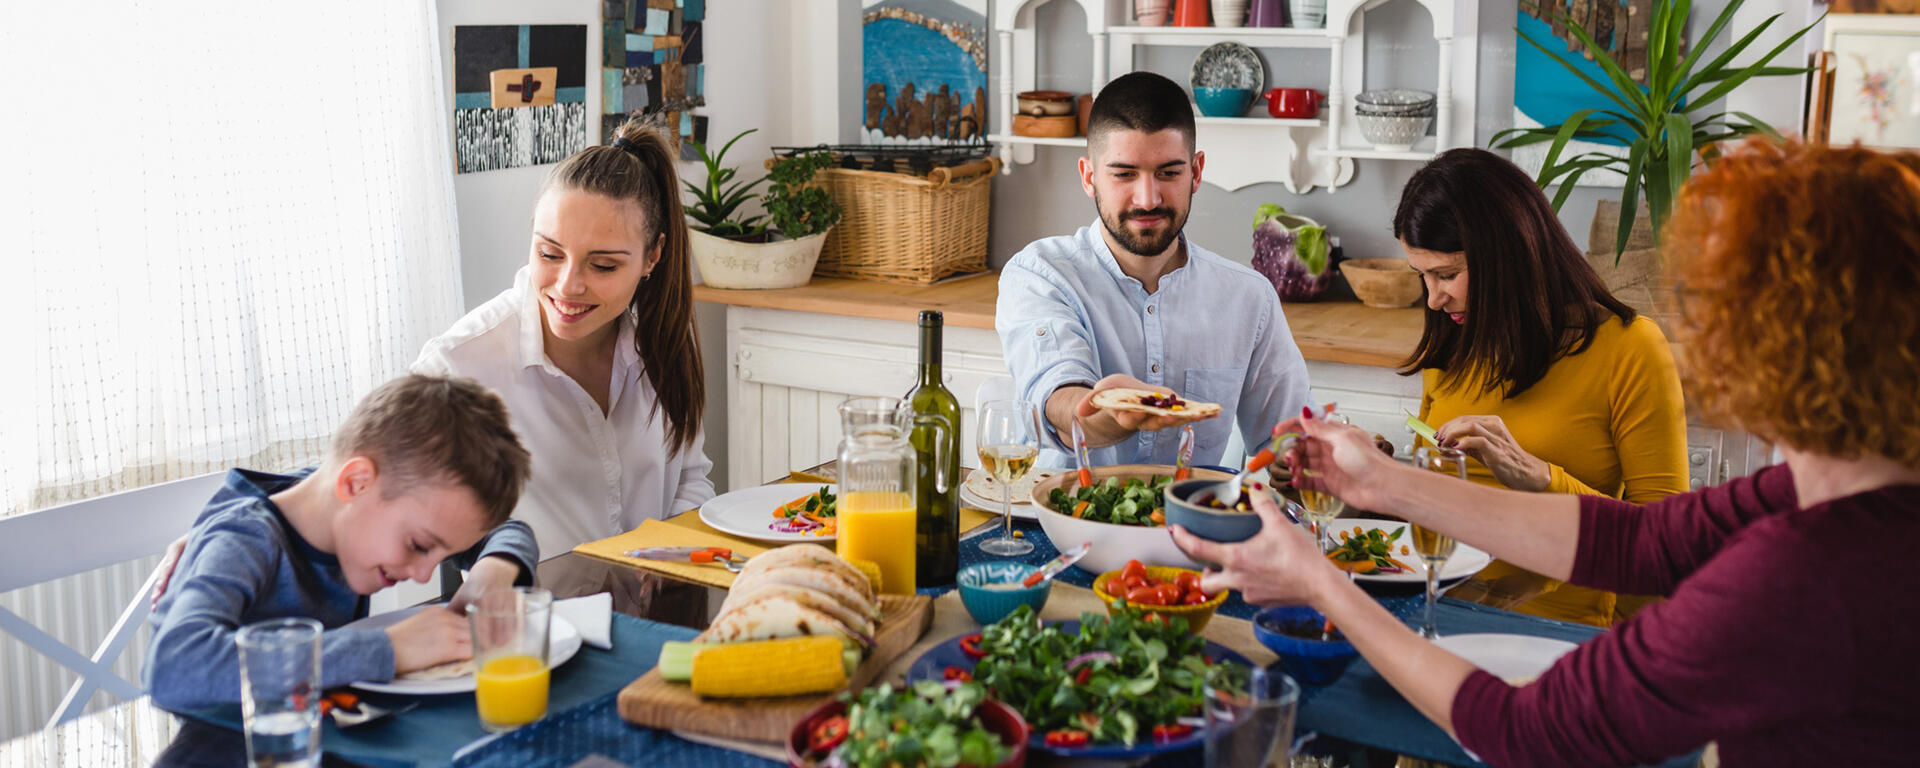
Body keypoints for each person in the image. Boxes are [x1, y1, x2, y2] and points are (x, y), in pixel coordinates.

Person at [1172, 139, 1920, 766]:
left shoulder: (1802, 573)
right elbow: (1650, 539)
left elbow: (1524, 728)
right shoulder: (1828, 497)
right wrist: (1387, 483)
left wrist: (1317, 585)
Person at [412, 121, 713, 620]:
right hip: (532, 641)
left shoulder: (662, 345)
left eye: (603, 266)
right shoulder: (457, 367)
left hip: (655, 624)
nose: (567, 286)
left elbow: (692, 477)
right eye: (549, 254)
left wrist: (673, 547)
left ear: (652, 257)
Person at [1393, 148, 1688, 626]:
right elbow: (1438, 515)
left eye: (1447, 275)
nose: (1433, 297)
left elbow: (1666, 555)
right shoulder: (1454, 336)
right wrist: (1365, 481)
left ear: (1508, 258)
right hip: (1439, 614)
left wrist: (1543, 480)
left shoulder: (1631, 349)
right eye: (1422, 276)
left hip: (1560, 634)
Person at [145, 374, 536, 710]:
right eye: (418, 546)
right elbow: (175, 669)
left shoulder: (344, 499)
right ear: (356, 483)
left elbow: (509, 530)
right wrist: (389, 649)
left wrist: (493, 571)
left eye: (443, 555)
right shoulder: (246, 539)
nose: (422, 576)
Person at [997, 71, 1311, 470]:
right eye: (1124, 174)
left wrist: (1318, 462)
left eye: (1168, 173)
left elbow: (1286, 440)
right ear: (1089, 177)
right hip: (1061, 524)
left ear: (1196, 172)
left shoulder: (1250, 297)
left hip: (1197, 524)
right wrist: (1105, 413)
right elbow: (1057, 396)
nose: (1148, 199)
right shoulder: (1041, 274)